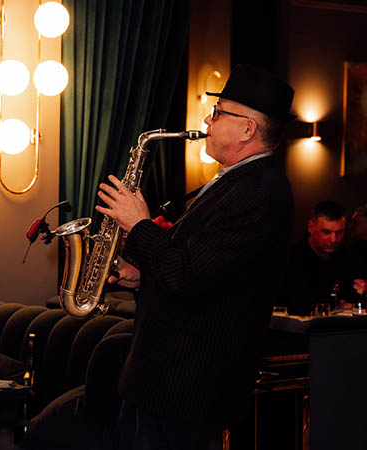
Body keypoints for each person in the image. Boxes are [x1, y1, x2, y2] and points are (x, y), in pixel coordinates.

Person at [96, 64, 295, 449]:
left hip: (183, 390)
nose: (208, 118)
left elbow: (186, 275)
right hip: (164, 386)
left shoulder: (257, 192)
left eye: (219, 113)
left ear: (247, 129)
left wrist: (139, 224)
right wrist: (140, 275)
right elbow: (205, 274)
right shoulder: (238, 181)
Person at [279, 201, 354, 315]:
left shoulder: (345, 257)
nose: (333, 239)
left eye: (339, 232)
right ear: (311, 227)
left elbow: (351, 298)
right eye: (326, 232)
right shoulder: (291, 259)